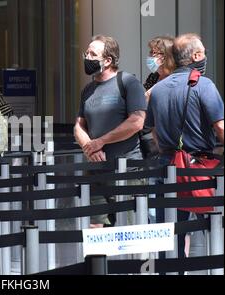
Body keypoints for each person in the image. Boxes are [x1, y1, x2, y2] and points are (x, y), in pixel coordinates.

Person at [146, 33, 224, 260]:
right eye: (204, 53)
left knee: (168, 235)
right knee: (210, 230)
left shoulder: (158, 90)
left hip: (166, 165)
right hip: (200, 168)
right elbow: (220, 127)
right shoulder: (204, 84)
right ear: (196, 55)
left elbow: (152, 129)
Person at [74, 35, 147, 228]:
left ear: (108, 61)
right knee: (96, 227)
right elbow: (79, 125)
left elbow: (137, 122)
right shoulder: (88, 90)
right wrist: (90, 148)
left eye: (92, 54)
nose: (87, 57)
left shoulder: (128, 82)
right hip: (96, 171)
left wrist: (101, 141)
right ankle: (101, 260)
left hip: (126, 171)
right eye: (86, 53)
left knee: (128, 230)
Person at [141, 36, 176, 160]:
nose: (151, 56)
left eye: (154, 53)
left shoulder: (176, 77)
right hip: (150, 133)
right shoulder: (153, 77)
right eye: (151, 52)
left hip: (169, 135)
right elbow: (143, 101)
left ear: (166, 56)